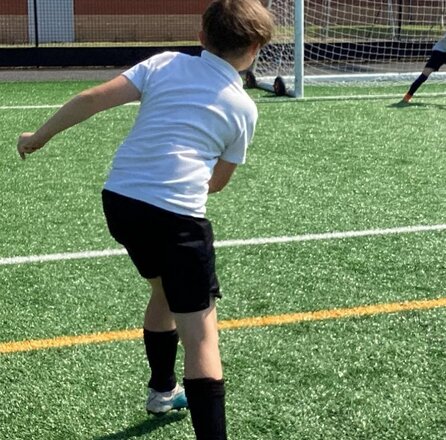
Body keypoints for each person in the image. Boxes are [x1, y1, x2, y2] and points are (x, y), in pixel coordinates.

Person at [16, 0, 274, 438]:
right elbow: (216, 184)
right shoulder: (243, 107)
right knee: (202, 335)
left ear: (201, 37)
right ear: (254, 49)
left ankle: (161, 391)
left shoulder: (165, 63)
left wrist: (39, 136)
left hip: (121, 202)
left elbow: (93, 98)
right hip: (176, 219)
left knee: (163, 291)